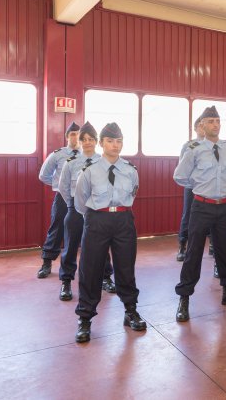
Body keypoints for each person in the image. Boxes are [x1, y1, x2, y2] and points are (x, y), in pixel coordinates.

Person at [173, 106, 226, 324]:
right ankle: (184, 298)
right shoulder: (194, 149)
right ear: (202, 125)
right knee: (193, 252)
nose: (215, 125)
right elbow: (180, 176)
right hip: (202, 206)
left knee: (224, 252)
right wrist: (199, 184)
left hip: (224, 206)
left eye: (217, 121)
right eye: (210, 121)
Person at [73, 122, 146, 343]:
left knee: (126, 266)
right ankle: (85, 318)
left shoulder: (130, 170)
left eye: (119, 141)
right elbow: (80, 201)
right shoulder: (89, 170)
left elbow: (133, 194)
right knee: (90, 268)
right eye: (110, 141)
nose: (115, 145)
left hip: (123, 220)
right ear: (102, 143)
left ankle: (130, 311)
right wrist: (96, 216)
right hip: (97, 220)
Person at [57, 121, 115, 301]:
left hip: (98, 209)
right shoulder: (71, 163)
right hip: (75, 209)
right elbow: (63, 187)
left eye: (91, 139)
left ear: (97, 141)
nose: (87, 142)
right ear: (79, 141)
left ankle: (106, 278)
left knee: (102, 246)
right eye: (84, 139)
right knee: (70, 246)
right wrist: (73, 205)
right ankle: (66, 281)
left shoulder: (105, 161)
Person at [36, 121, 81, 278]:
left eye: (79, 134)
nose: (76, 137)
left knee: (89, 230)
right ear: (67, 136)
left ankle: (98, 269)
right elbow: (43, 175)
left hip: (82, 198)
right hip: (63, 198)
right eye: (73, 134)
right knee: (56, 229)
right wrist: (59, 186)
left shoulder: (87, 155)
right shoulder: (58, 154)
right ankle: (46, 263)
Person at [176, 115, 205, 261]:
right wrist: (190, 184)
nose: (203, 128)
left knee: (212, 215)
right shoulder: (189, 146)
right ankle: (182, 245)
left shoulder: (216, 146)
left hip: (208, 189)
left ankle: (212, 245)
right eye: (200, 125)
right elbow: (182, 168)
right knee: (187, 214)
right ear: (195, 128)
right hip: (192, 187)